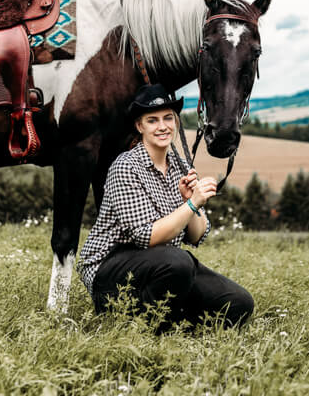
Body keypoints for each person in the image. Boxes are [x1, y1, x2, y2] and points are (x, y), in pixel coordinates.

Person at [77, 85, 254, 331]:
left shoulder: (180, 166)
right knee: (178, 261)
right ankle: (138, 327)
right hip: (111, 270)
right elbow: (146, 236)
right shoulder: (125, 167)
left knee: (238, 303)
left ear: (176, 121)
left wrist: (188, 202)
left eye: (168, 118)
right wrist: (193, 203)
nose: (162, 126)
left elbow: (197, 235)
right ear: (140, 126)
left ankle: (171, 324)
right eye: (152, 120)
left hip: (165, 268)